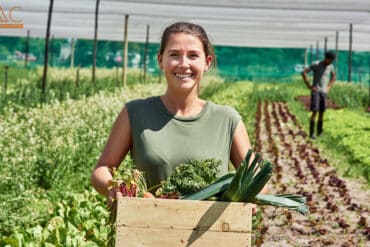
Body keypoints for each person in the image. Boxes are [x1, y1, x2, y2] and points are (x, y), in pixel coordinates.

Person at [91, 22, 252, 205]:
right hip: (145, 227)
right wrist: (115, 186)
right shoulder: (135, 113)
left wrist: (249, 197)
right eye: (174, 55)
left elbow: (255, 178)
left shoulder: (227, 119)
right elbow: (102, 169)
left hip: (211, 231)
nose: (184, 64)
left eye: (193, 56)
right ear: (161, 60)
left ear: (206, 63)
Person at [302, 51, 336, 139]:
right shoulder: (316, 64)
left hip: (323, 92)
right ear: (326, 58)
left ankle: (319, 132)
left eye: (332, 60)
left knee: (322, 112)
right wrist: (309, 86)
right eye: (330, 60)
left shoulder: (331, 66)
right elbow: (304, 72)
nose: (331, 62)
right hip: (316, 91)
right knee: (315, 111)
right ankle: (311, 133)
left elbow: (333, 77)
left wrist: (328, 87)